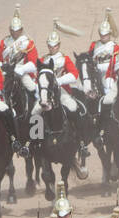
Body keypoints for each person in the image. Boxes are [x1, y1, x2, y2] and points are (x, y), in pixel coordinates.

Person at [39, 26, 91, 176]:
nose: (52, 48)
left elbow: (74, 75)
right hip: (46, 94)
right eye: (49, 45)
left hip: (62, 92)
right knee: (35, 113)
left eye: (54, 45)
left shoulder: (65, 58)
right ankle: (34, 143)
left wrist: (57, 81)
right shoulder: (43, 59)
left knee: (74, 109)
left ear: (59, 45)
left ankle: (81, 144)